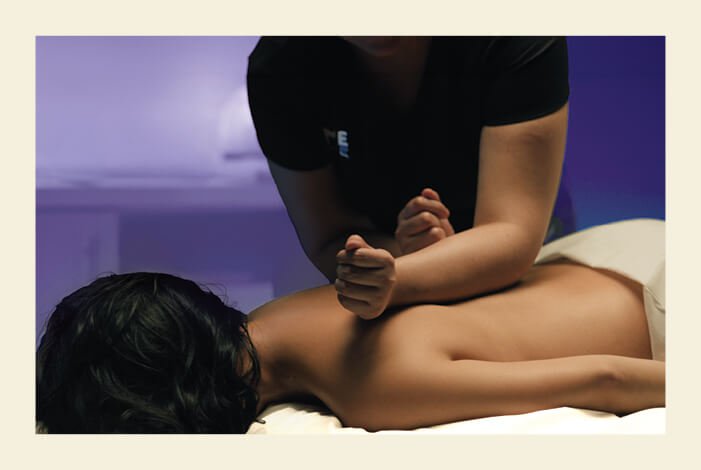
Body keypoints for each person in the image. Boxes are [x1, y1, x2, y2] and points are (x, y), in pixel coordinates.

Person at [36, 220, 665, 433]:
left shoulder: (376, 388)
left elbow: (604, 378)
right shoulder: (269, 320)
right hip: (604, 253)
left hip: (663, 300)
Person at [247, 36, 571, 320]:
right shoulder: (282, 66)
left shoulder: (512, 32)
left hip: (527, 255)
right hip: (376, 258)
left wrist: (406, 274)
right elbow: (328, 236)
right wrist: (405, 259)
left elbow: (511, 233)